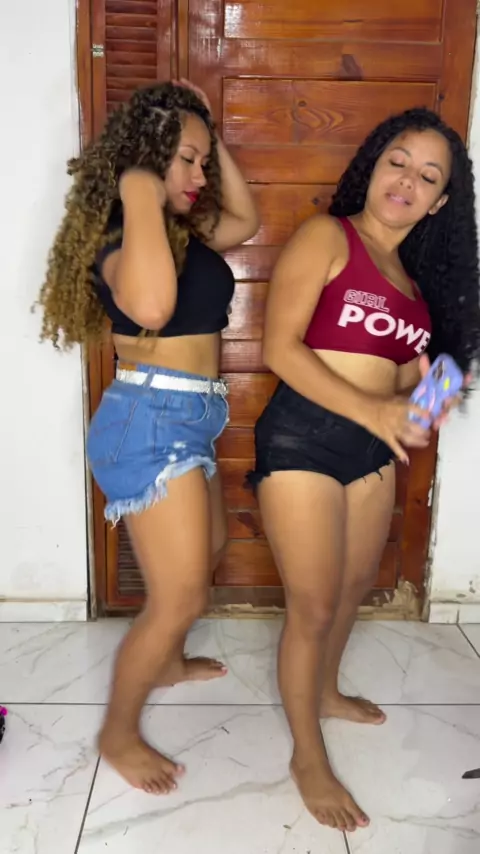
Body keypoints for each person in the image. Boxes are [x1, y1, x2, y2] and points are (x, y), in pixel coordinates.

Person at [246, 107, 480, 833]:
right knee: (313, 605)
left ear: (440, 202)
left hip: (372, 452)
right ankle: (306, 757)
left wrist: (426, 397)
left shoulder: (416, 284)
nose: (407, 180)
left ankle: (324, 691)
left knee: (352, 589)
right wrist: (377, 411)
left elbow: (419, 381)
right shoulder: (328, 236)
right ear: (374, 165)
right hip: (304, 439)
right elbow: (280, 349)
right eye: (398, 161)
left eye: (428, 176)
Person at [36, 80, 259, 793]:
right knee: (179, 596)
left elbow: (245, 221)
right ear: (144, 160)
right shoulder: (118, 239)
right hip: (149, 423)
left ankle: (163, 663)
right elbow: (155, 308)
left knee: (210, 551)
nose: (200, 175)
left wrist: (207, 131)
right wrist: (136, 185)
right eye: (186, 160)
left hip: (191, 417)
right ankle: (118, 732)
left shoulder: (179, 234)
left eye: (203, 161)